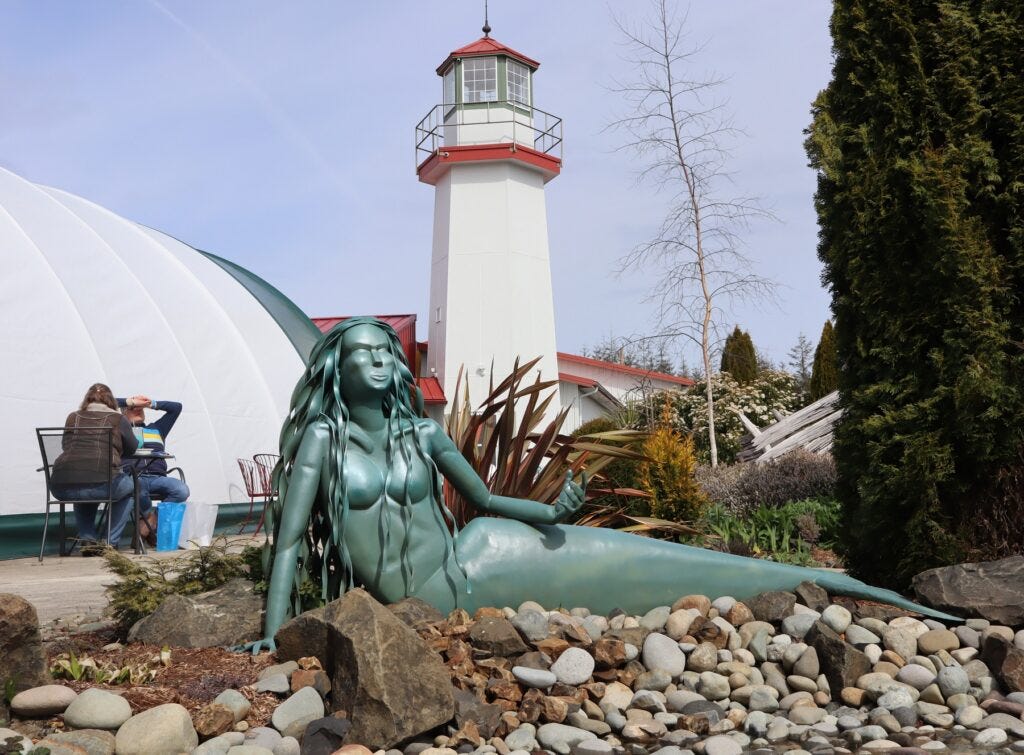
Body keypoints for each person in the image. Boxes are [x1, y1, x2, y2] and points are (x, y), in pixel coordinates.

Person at [247, 318, 956, 653]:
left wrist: (549, 509)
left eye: (383, 351)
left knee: (648, 565)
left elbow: (488, 500)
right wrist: (272, 631)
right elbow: (286, 548)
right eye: (359, 351)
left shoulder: (423, 433)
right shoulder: (322, 440)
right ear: (335, 369)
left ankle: (856, 590)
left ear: (398, 369)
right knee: (630, 565)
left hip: (470, 559)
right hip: (427, 593)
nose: (374, 360)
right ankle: (860, 591)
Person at [50, 383, 139, 554]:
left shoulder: (72, 417)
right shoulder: (118, 419)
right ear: (110, 401)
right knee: (130, 488)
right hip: (101, 483)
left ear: (87, 399)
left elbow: (65, 445)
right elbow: (132, 448)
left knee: (84, 485)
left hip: (62, 486)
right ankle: (109, 542)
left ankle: (88, 540)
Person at [118, 395, 190, 543]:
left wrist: (151, 404)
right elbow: (103, 402)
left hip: (158, 478)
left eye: (140, 408)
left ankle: (147, 524)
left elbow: (176, 407)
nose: (138, 410)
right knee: (138, 485)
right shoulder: (119, 430)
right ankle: (149, 526)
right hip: (133, 477)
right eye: (133, 408)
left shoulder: (157, 429)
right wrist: (130, 401)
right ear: (123, 412)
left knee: (181, 490)